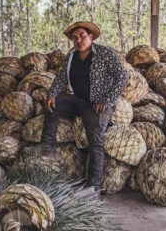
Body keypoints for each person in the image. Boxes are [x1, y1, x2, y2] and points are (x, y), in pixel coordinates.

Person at [24, 21, 129, 191]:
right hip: (78, 100)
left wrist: (107, 100)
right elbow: (60, 78)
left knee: (95, 141)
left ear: (91, 37)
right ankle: (47, 147)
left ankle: (93, 187)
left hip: (97, 104)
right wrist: (52, 94)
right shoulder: (72, 55)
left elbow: (122, 76)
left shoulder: (104, 53)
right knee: (53, 103)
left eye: (82, 36)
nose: (78, 40)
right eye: (75, 37)